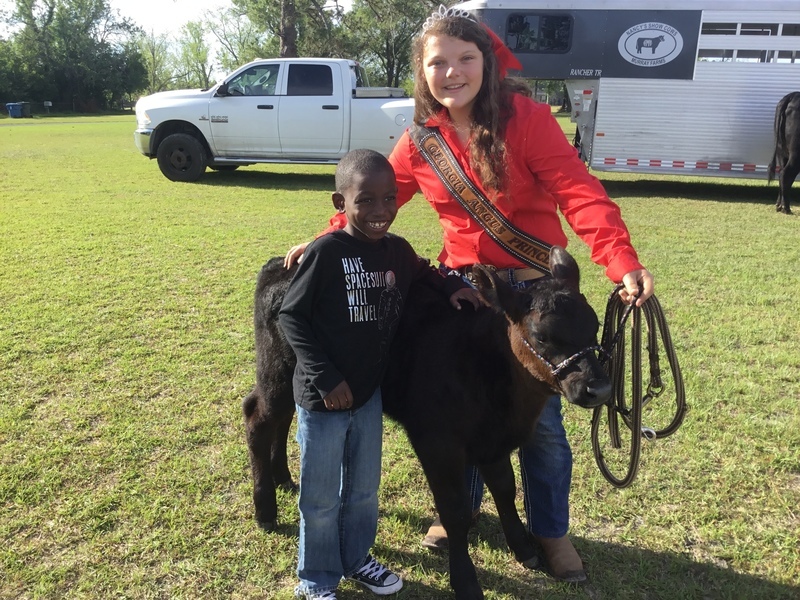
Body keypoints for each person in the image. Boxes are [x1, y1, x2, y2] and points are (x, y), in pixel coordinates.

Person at [285, 5, 654, 585]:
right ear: (422, 71)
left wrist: (619, 259)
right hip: (466, 294)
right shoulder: (419, 141)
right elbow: (377, 202)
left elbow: (578, 193)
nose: (452, 72)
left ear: (486, 61)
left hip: (536, 296)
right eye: (438, 63)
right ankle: (460, 507)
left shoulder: (528, 119)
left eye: (465, 58)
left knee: (543, 429)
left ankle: (551, 533)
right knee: (459, 404)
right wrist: (323, 240)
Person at [279, 148, 480, 600]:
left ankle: (357, 558)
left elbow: (426, 272)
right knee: (321, 498)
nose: (380, 211)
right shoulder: (326, 253)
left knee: (365, 492)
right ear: (340, 204)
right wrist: (327, 379)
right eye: (365, 200)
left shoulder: (397, 250)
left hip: (368, 397)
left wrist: (454, 288)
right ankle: (317, 579)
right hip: (323, 399)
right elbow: (291, 317)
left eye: (389, 199)